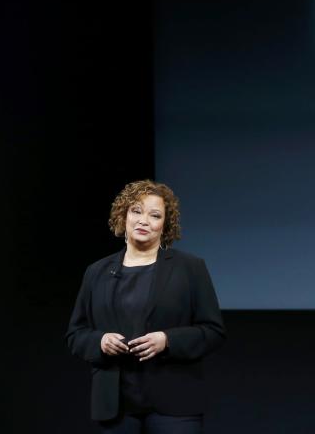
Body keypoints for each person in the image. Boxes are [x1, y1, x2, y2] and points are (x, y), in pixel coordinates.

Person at [67, 180, 226, 432]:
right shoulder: (96, 272)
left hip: (175, 400)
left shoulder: (190, 268)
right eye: (136, 211)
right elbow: (76, 334)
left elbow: (213, 331)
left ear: (165, 225)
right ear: (123, 216)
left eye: (154, 215)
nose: (143, 220)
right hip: (115, 404)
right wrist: (100, 341)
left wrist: (167, 340)